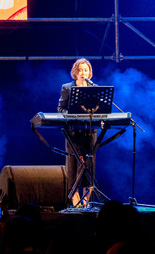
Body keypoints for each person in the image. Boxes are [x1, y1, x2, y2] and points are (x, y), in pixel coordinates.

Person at [58, 58, 98, 208]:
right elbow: (60, 108)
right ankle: (75, 199)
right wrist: (71, 114)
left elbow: (99, 108)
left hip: (89, 131)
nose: (83, 73)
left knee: (89, 163)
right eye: (80, 70)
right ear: (75, 72)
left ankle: (87, 200)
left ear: (89, 73)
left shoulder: (94, 88)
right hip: (73, 131)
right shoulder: (67, 87)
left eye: (86, 70)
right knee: (74, 163)